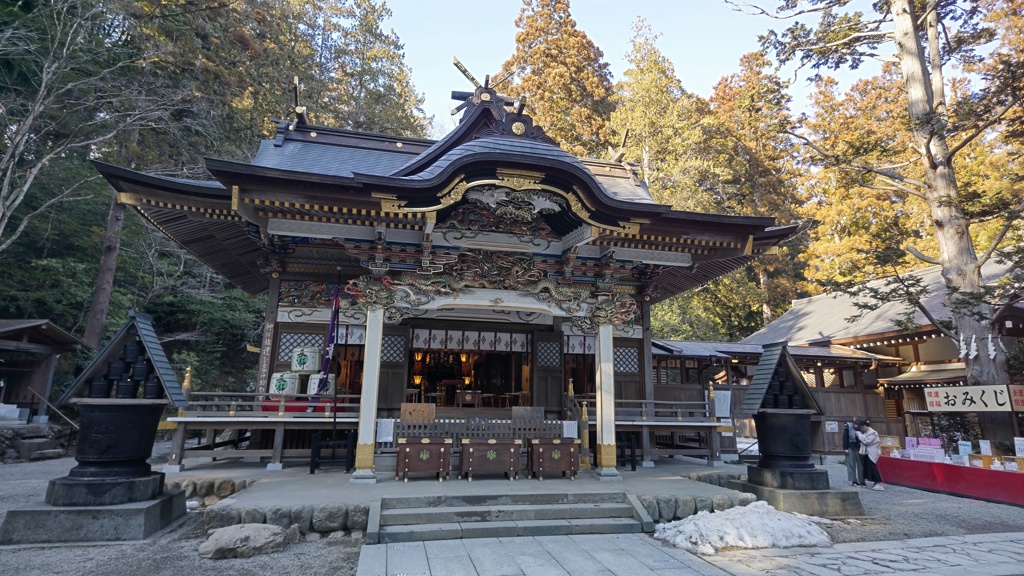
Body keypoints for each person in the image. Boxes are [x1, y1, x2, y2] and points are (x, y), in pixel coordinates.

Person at [855, 418, 885, 490]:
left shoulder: (873, 432)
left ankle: (879, 482)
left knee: (872, 467)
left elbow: (866, 441)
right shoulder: (866, 433)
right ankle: (875, 482)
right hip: (867, 453)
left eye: (862, 427)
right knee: (868, 468)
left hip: (873, 452)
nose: (862, 429)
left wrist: (859, 435)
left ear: (865, 425)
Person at [843, 419, 865, 486]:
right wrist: (845, 448)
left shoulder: (861, 429)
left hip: (859, 448)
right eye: (855, 423)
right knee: (851, 464)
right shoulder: (848, 428)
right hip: (850, 447)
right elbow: (845, 438)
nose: (856, 425)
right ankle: (854, 481)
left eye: (857, 424)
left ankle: (862, 481)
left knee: (861, 465)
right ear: (852, 423)